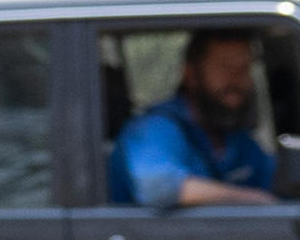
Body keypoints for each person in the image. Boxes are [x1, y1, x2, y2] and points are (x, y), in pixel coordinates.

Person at [116, 28, 277, 209]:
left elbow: (273, 179)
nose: (236, 78)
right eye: (224, 67)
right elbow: (157, 187)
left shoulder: (234, 137)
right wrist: (253, 199)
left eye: (244, 68)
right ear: (191, 74)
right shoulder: (154, 128)